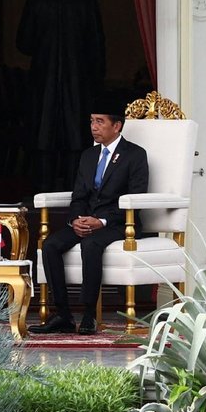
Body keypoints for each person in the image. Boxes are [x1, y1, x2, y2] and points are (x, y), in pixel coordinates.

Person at [29, 99, 148, 336]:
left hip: (119, 223)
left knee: (91, 244)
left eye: (100, 121)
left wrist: (102, 221)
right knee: (50, 245)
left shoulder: (135, 155)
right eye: (92, 121)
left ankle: (89, 314)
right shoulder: (88, 155)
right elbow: (79, 195)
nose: (94, 126)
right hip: (85, 220)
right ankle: (62, 314)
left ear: (117, 126)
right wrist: (76, 219)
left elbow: (136, 197)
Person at [16, 0, 106, 192]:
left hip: (43, 82)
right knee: (76, 139)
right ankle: (73, 193)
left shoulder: (37, 2)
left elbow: (23, 44)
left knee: (43, 138)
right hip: (78, 83)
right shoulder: (86, 2)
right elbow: (97, 48)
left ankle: (42, 193)